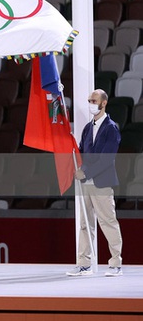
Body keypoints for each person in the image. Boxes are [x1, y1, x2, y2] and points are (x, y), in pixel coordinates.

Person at [67, 89, 123, 277]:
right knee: (85, 224)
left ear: (104, 103)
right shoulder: (87, 128)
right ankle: (84, 263)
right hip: (86, 183)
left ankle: (115, 263)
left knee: (107, 222)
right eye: (89, 100)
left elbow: (107, 159)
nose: (91, 103)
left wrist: (86, 172)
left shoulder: (111, 128)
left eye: (94, 100)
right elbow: (82, 151)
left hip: (102, 182)